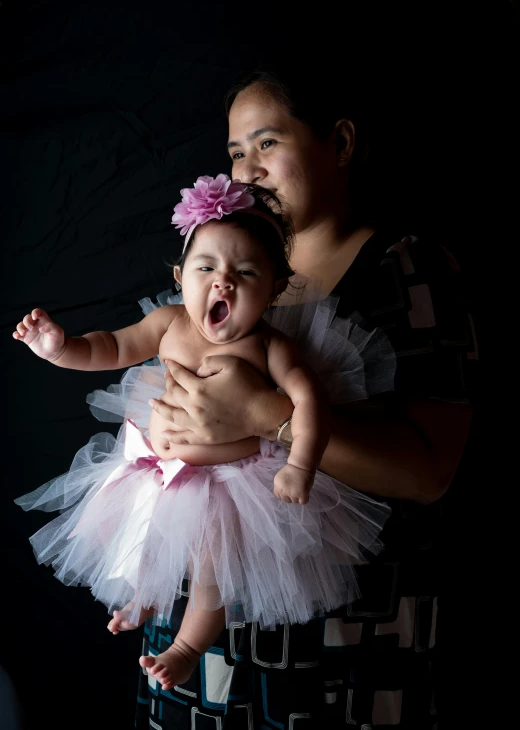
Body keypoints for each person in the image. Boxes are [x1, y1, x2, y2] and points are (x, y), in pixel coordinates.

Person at [134, 67, 477, 728]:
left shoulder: (409, 269)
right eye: (235, 153)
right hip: (203, 638)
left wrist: (266, 416)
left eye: (267, 144)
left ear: (340, 143)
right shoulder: (225, 267)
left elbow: (432, 472)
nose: (247, 170)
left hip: (339, 645)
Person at [13, 176, 392, 692]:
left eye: (246, 271)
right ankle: (146, 596)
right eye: (206, 267)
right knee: (145, 533)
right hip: (161, 467)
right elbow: (109, 347)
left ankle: (188, 647)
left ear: (277, 287)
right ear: (180, 275)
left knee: (212, 562)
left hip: (232, 481)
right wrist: (60, 348)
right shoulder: (169, 324)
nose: (223, 283)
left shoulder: (269, 347)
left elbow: (310, 403)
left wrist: (300, 465)